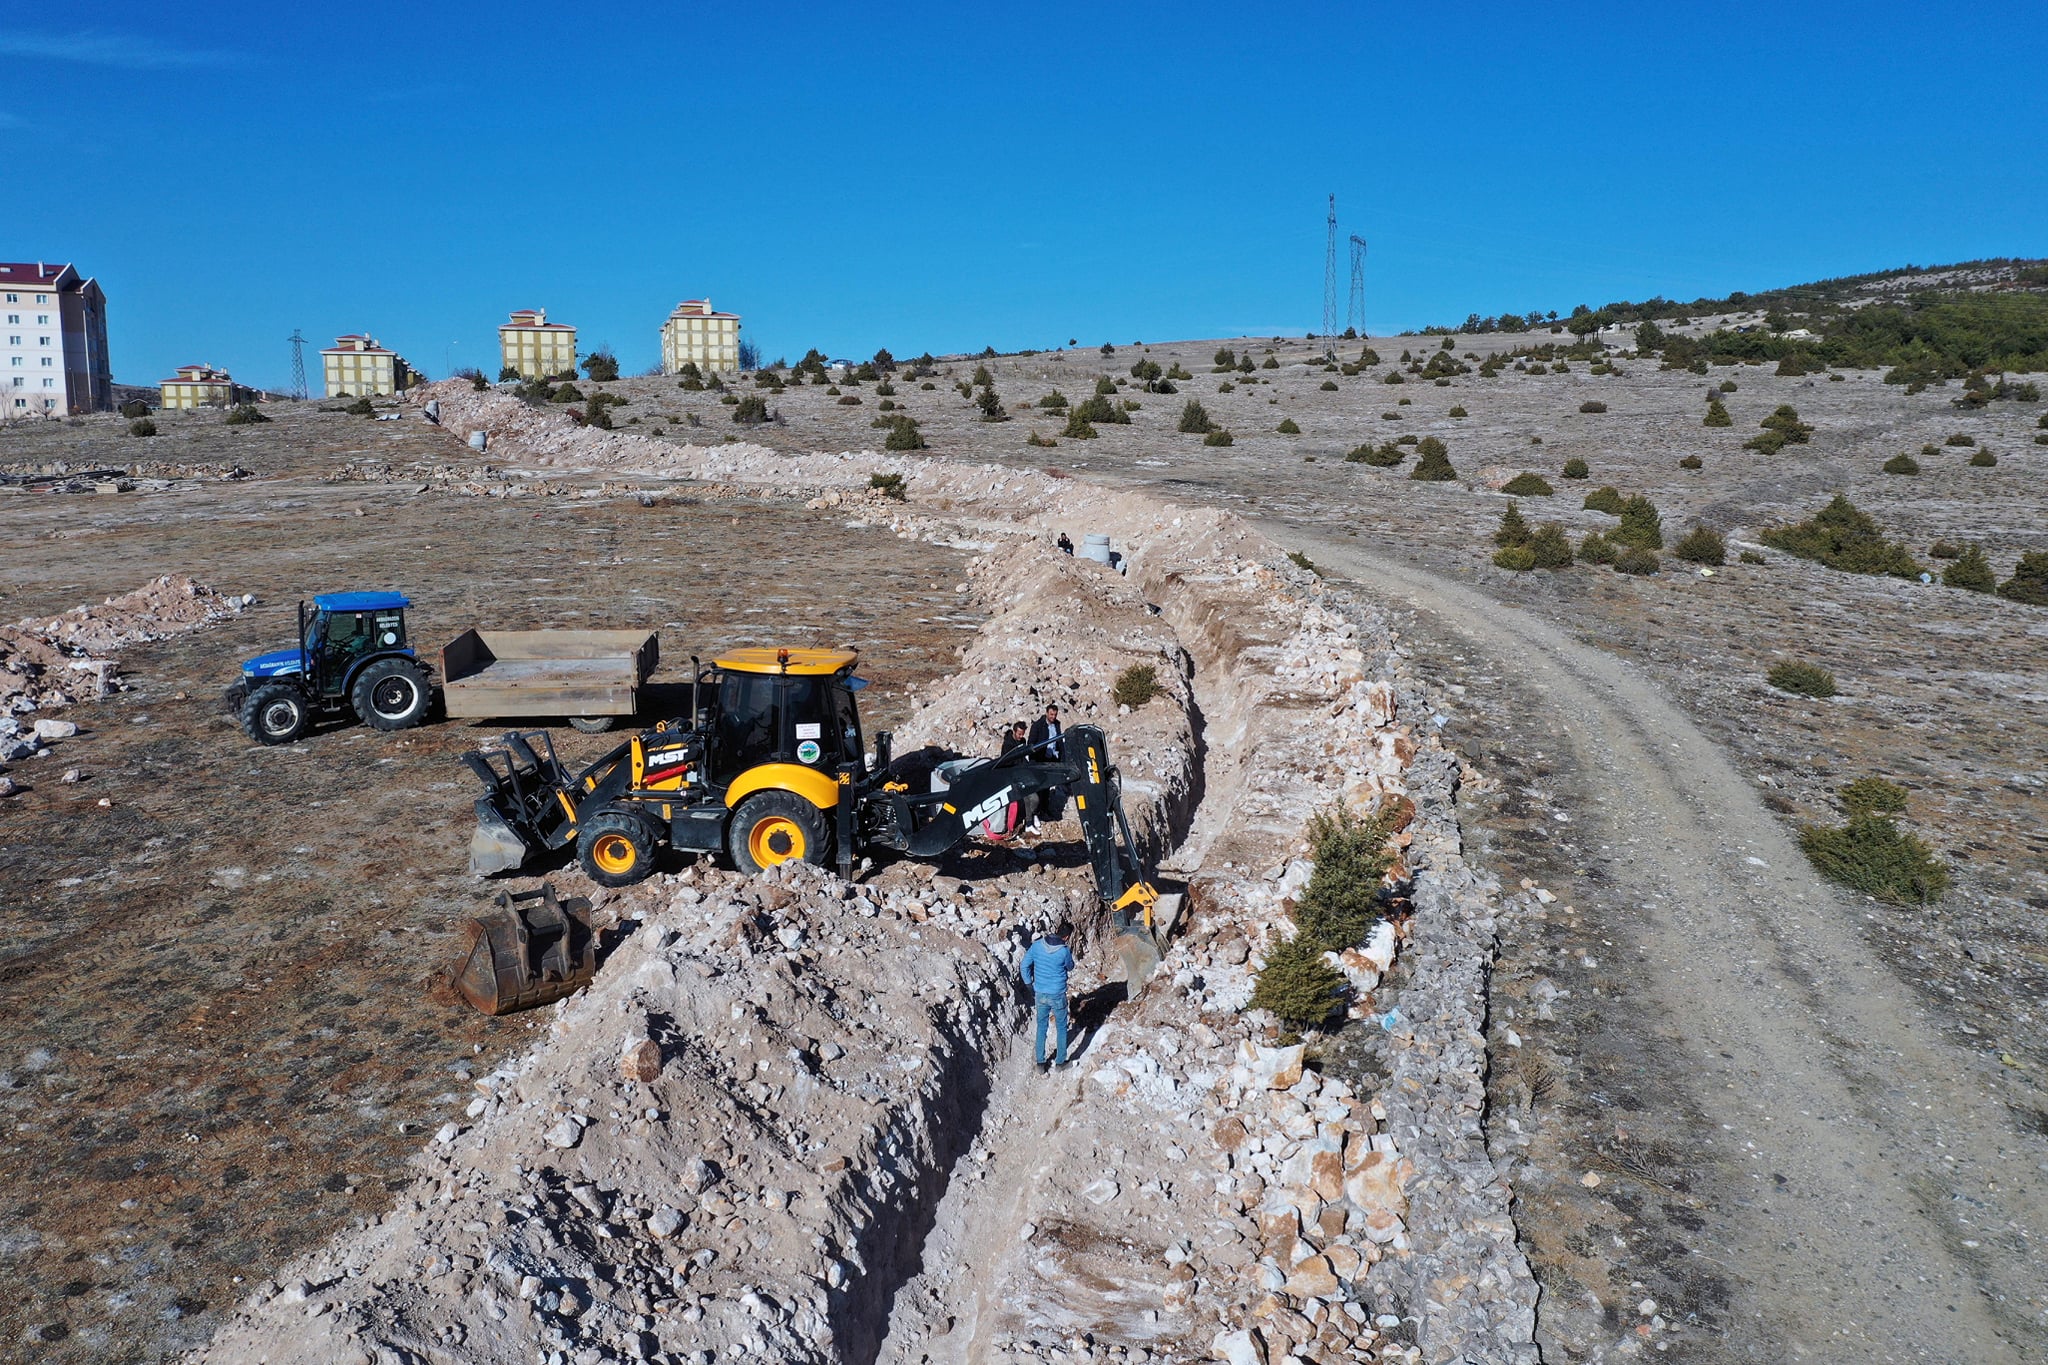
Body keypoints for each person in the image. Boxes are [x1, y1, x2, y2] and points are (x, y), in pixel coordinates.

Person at [1020, 920, 1076, 1072]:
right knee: (1061, 1027)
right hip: (1057, 994)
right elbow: (1070, 967)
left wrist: (1028, 984)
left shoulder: (1037, 945)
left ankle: (1040, 1063)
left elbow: (1024, 965)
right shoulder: (1064, 951)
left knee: (1041, 1026)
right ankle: (1060, 1063)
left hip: (1040, 994)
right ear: (1066, 937)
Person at [1026, 703, 1066, 828]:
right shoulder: (1038, 726)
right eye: (1051, 714)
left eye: (1055, 714)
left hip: (1052, 760)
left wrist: (1062, 759)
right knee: (1038, 788)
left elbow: (1059, 742)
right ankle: (1035, 813)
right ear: (1046, 713)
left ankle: (1044, 810)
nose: (1053, 717)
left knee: (1047, 787)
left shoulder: (1057, 724)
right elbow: (1031, 744)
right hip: (1040, 760)